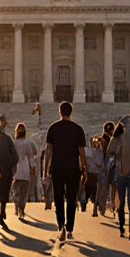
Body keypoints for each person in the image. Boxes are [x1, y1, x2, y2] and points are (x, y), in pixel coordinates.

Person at [44, 101, 88, 244]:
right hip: (73, 167)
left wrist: (46, 168)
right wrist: (85, 169)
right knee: (71, 197)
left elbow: (49, 150)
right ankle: (69, 227)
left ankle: (60, 224)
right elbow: (82, 152)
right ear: (71, 112)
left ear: (60, 112)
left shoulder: (53, 128)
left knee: (58, 196)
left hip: (57, 166)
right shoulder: (78, 129)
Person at [108, 114, 130, 239]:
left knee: (121, 202)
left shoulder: (117, 137)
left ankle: (122, 228)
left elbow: (110, 151)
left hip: (120, 173)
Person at [11, 123, 37, 219]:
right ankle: (21, 208)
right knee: (24, 192)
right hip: (25, 169)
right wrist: (33, 167)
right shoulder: (26, 143)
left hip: (16, 169)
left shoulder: (13, 143)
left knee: (16, 190)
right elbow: (31, 156)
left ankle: (17, 207)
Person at [96, 121, 115, 218]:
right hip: (104, 167)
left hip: (111, 166)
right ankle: (103, 207)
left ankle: (112, 205)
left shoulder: (113, 139)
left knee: (110, 187)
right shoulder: (103, 140)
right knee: (104, 187)